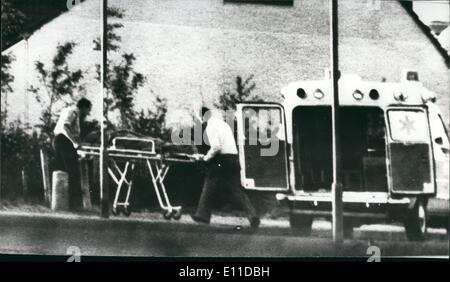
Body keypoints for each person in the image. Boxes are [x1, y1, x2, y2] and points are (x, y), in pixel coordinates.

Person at [191, 107, 260, 229]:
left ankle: (202, 215)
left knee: (209, 184)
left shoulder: (211, 127)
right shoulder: (223, 124)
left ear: (203, 117)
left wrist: (205, 158)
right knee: (236, 189)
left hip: (223, 159)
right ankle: (253, 216)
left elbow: (216, 147)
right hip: (234, 158)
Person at [53, 98, 92, 210]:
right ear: (84, 107)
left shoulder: (75, 113)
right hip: (63, 141)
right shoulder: (73, 111)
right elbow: (65, 128)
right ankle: (71, 205)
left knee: (68, 171)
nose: (88, 113)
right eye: (88, 110)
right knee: (71, 172)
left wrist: (80, 147)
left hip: (64, 142)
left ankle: (66, 204)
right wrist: (74, 143)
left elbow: (74, 133)